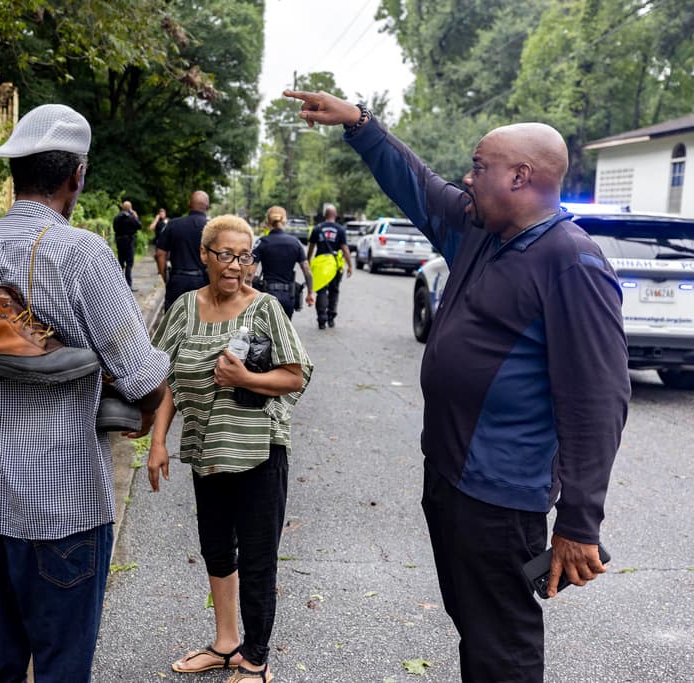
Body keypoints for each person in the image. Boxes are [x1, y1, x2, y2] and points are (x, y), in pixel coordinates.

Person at [286, 89, 630, 681]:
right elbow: (415, 183)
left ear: (521, 176)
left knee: (502, 642)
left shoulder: (570, 261)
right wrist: (361, 124)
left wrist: (579, 523)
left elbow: (598, 399)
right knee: (474, 621)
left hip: (500, 495)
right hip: (449, 476)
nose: (467, 179)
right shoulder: (479, 229)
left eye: (479, 166)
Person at [0, 103, 169, 683]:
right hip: (70, 507)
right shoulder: (85, 254)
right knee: (62, 669)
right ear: (75, 176)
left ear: (15, 172)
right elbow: (140, 377)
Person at [148, 215, 313, 683]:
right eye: (226, 255)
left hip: (259, 452)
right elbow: (167, 381)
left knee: (258, 557)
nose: (236, 266)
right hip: (207, 451)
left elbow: (296, 374)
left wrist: (246, 379)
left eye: (244, 257)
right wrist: (158, 441)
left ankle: (256, 661)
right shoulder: (183, 308)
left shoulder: (265, 308)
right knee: (217, 549)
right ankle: (226, 644)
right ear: (205, 255)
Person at [251, 206, 314, 318]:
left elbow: (250, 272)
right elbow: (307, 271)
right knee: (284, 332)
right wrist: (310, 293)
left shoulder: (262, 242)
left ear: (268, 221)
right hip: (288, 297)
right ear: (284, 220)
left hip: (267, 296)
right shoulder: (295, 242)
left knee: (265, 332)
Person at [156, 190, 210, 310]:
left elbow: (160, 254)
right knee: (202, 320)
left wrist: (165, 277)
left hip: (177, 281)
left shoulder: (173, 224)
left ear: (189, 204)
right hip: (203, 282)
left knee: (173, 320)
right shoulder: (212, 228)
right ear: (207, 206)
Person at [306, 203, 353, 329]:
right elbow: (345, 249)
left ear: (324, 215)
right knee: (334, 291)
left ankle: (322, 319)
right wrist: (350, 265)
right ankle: (331, 317)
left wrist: (308, 260)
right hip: (335, 265)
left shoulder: (317, 228)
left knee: (321, 290)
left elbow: (311, 247)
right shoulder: (340, 230)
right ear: (335, 215)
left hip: (321, 264)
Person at [112, 199, 142, 290]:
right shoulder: (131, 217)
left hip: (119, 241)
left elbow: (114, 228)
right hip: (129, 242)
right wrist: (136, 216)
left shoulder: (117, 217)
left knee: (120, 263)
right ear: (130, 208)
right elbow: (139, 226)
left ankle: (119, 286)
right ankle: (128, 285)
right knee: (129, 263)